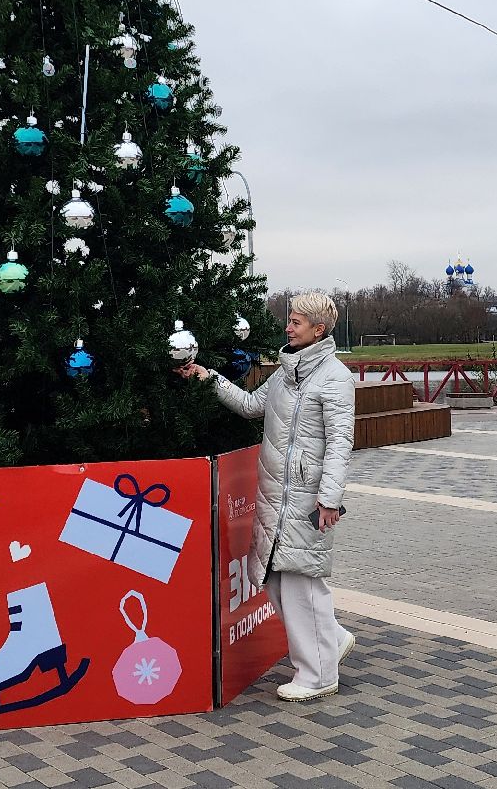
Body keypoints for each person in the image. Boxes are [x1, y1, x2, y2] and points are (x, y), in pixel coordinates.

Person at [177, 292, 356, 700]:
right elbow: (250, 405)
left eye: (295, 322)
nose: (287, 327)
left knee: (301, 582)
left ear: (318, 329)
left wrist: (329, 499)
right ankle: (333, 639)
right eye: (289, 320)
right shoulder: (285, 373)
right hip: (277, 494)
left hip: (308, 500)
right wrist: (210, 378)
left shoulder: (334, 377)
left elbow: (341, 443)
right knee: (276, 578)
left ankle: (317, 674)